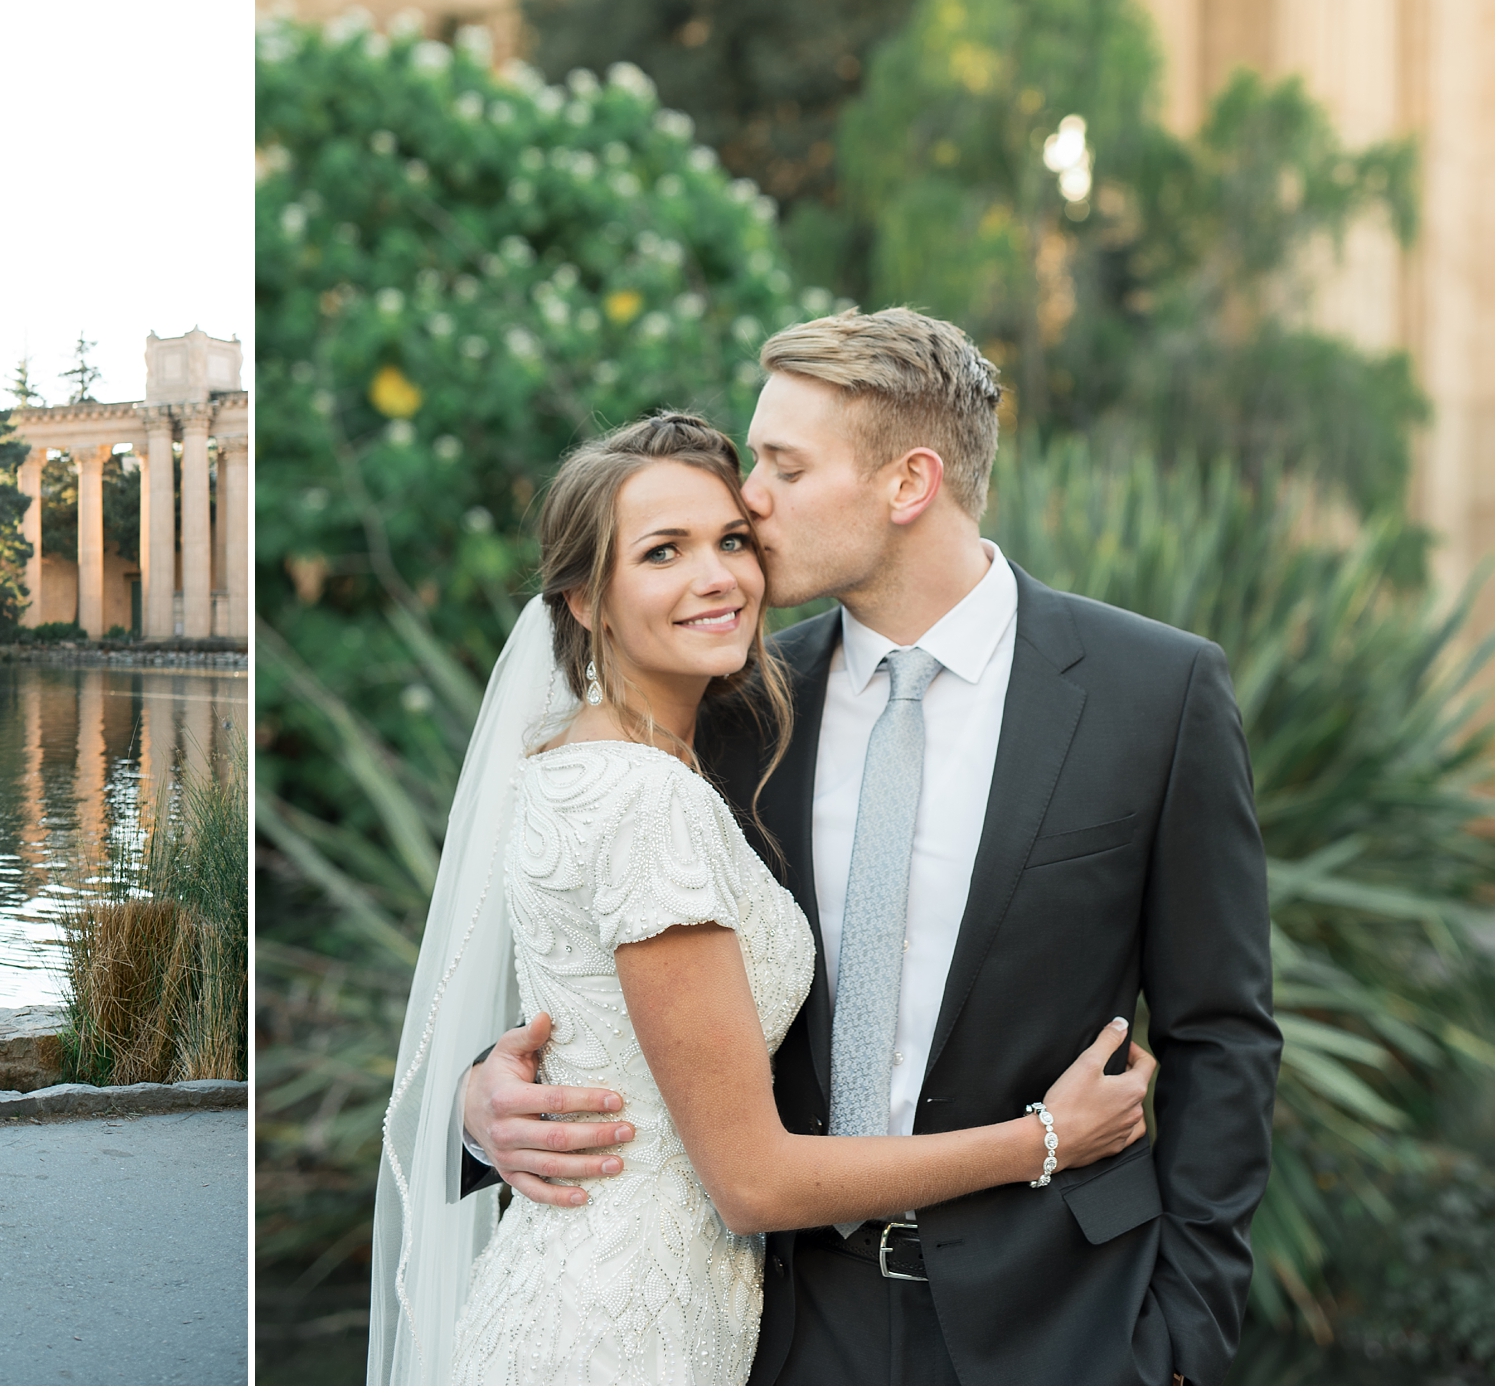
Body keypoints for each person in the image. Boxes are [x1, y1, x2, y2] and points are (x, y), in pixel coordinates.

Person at [443, 310, 1279, 1385]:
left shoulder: (1153, 695)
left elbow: (1225, 1037)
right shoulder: (731, 704)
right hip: (777, 1324)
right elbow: (622, 963)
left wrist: (1182, 1350)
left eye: (783, 465)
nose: (746, 495)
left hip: (1063, 1326)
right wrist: (485, 1100)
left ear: (907, 484)